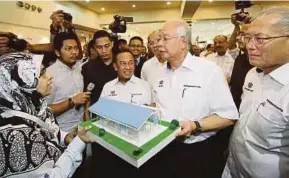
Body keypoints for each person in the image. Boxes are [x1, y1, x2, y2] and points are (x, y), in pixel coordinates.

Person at [152, 20, 239, 178]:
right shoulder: (158, 73)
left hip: (197, 152)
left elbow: (228, 116)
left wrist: (195, 125)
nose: (158, 44)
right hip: (162, 148)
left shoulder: (209, 71)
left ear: (183, 41)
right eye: (158, 40)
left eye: (164, 38)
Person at [0, 52, 92, 178]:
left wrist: (66, 138)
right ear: (20, 82)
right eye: (41, 74)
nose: (49, 77)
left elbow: (46, 131)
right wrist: (79, 142)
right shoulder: (14, 135)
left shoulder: (35, 106)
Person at [222, 7, 289, 178]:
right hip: (233, 167)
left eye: (260, 39)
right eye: (247, 38)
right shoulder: (253, 73)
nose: (249, 46)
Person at [46, 32, 90, 132]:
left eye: (76, 48)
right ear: (57, 52)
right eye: (68, 49)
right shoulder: (49, 75)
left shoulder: (79, 68)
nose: (74, 52)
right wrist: (71, 102)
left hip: (82, 127)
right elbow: (43, 110)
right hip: (60, 131)